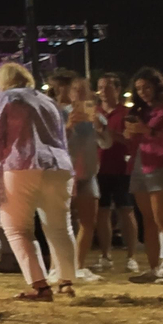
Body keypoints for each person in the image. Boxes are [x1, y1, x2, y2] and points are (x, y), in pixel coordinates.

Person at [0, 62, 78, 300]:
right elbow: (61, 137)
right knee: (61, 226)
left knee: (16, 228)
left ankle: (39, 285)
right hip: (58, 166)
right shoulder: (47, 101)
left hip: (19, 165)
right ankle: (66, 282)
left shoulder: (5, 99)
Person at [122, 67, 163, 284]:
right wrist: (129, 133)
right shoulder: (142, 111)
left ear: (157, 86)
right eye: (139, 88)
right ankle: (154, 268)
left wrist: (147, 131)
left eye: (147, 87)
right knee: (148, 220)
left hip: (161, 165)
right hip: (140, 165)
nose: (143, 92)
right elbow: (135, 139)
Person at [61, 76, 111, 281]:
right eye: (75, 90)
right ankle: (62, 266)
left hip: (89, 173)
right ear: (70, 93)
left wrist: (100, 128)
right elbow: (56, 142)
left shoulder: (97, 116)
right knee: (63, 223)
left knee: (88, 221)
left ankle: (79, 265)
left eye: (84, 90)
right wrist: (69, 126)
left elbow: (106, 144)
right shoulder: (61, 114)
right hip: (65, 174)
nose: (79, 94)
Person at [92, 72, 143, 273]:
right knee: (102, 212)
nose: (103, 91)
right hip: (98, 168)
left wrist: (114, 135)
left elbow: (133, 141)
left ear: (118, 89)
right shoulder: (93, 112)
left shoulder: (127, 113)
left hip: (122, 168)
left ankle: (131, 256)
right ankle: (105, 256)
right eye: (101, 87)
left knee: (126, 210)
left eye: (108, 87)